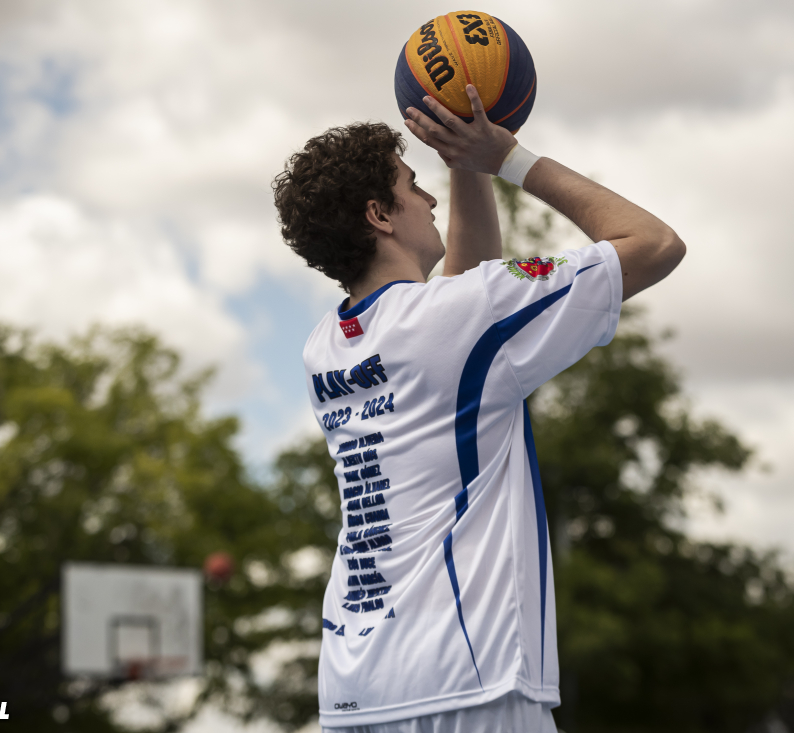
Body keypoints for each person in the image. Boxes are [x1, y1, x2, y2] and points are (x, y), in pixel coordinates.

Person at [272, 86, 685, 733]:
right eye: (413, 185)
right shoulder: (463, 316)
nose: (430, 198)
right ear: (380, 215)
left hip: (357, 689)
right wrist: (507, 159)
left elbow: (461, 299)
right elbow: (654, 242)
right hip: (467, 682)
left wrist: (462, 164)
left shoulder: (324, 347)